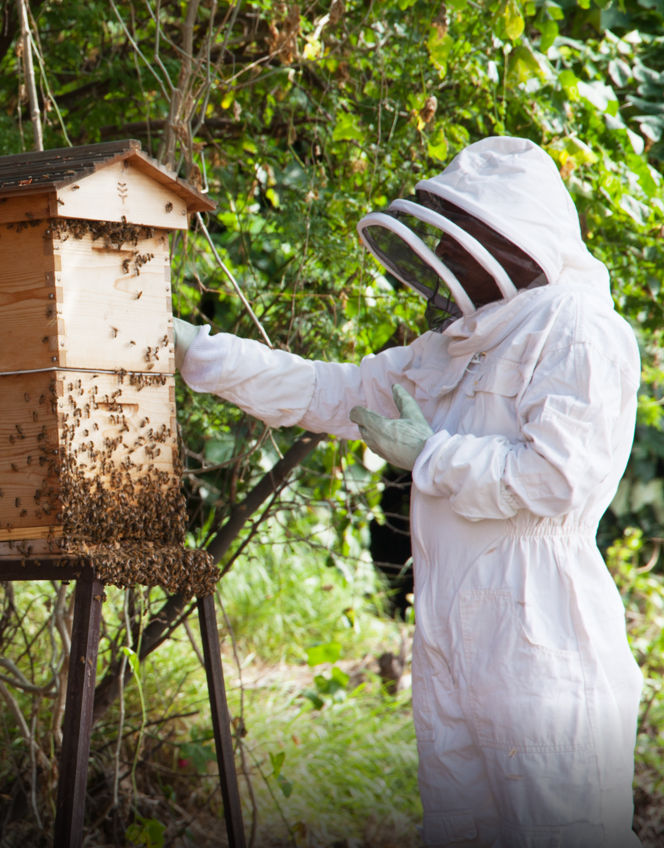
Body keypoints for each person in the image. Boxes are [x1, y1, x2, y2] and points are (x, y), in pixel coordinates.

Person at [175, 137, 643, 847]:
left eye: (466, 240)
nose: (450, 260)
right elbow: (325, 390)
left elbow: (555, 478)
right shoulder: (453, 345)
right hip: (451, 636)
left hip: (540, 635)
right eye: (449, 241)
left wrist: (432, 453)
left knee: (561, 832)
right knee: (460, 828)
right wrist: (189, 349)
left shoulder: (577, 330)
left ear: (517, 237)